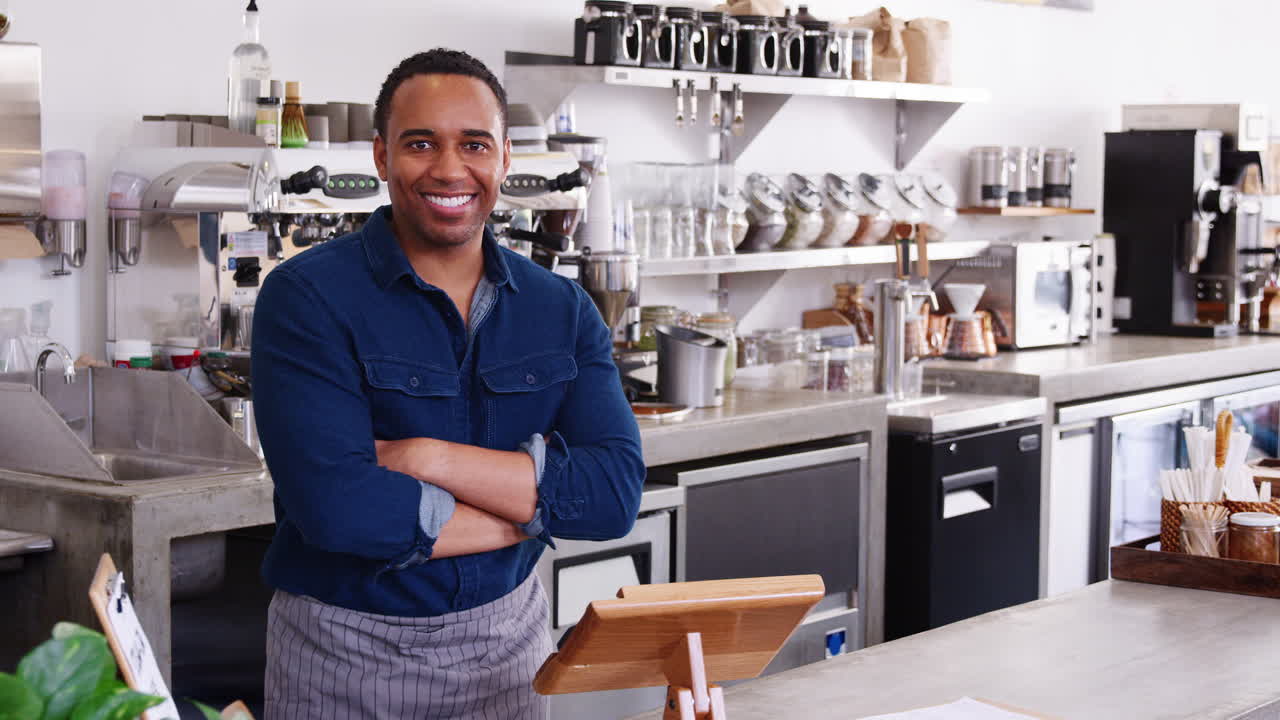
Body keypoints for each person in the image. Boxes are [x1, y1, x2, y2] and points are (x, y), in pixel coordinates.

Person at [251, 48, 645, 719]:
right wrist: (531, 511)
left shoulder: (560, 307)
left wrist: (421, 457)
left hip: (509, 649)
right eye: (420, 143)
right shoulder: (307, 296)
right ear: (381, 157)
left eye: (474, 144)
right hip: (344, 659)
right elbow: (337, 509)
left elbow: (612, 495)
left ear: (505, 158)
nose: (448, 169)